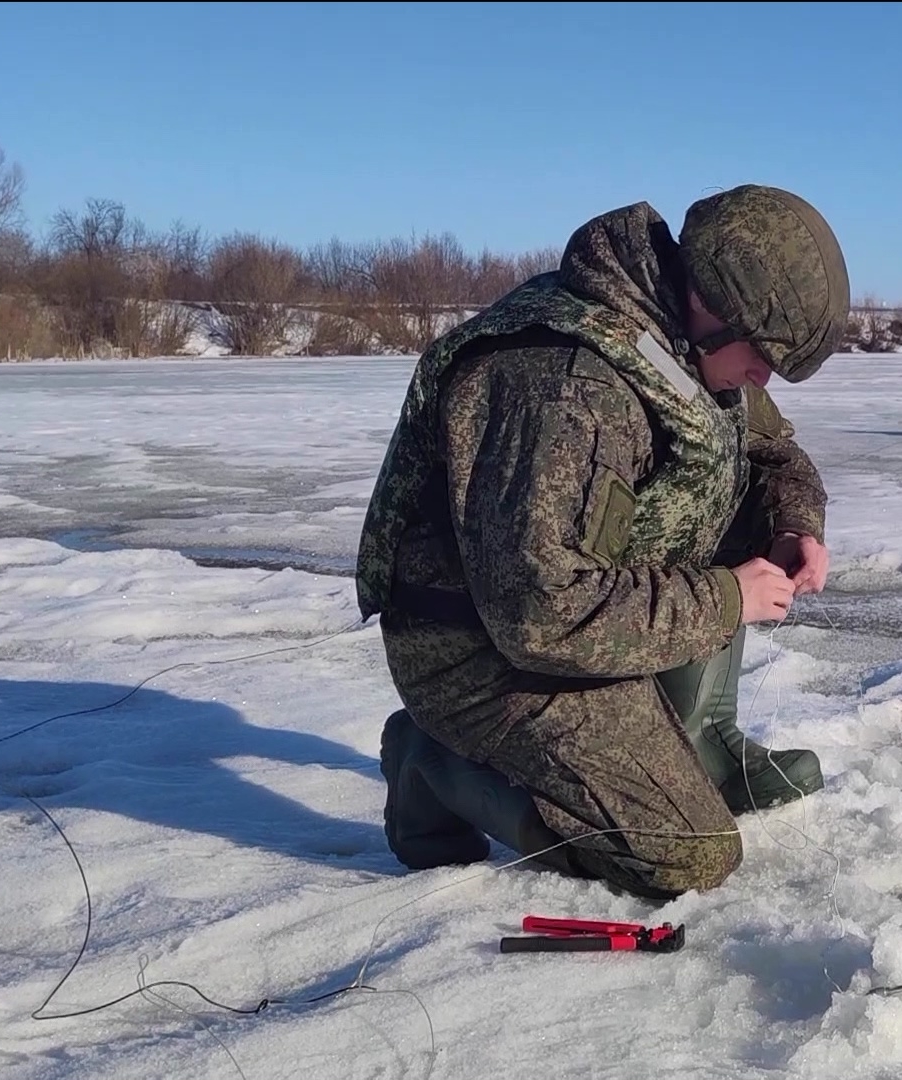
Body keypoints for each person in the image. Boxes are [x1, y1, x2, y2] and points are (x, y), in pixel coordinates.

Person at [352, 183, 850, 900]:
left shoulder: (681, 347)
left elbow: (772, 453)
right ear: (711, 299)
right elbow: (540, 612)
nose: (762, 375)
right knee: (688, 854)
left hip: (576, 631)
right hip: (480, 660)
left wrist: (795, 524)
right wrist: (724, 600)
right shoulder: (565, 386)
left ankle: (697, 742)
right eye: (761, 352)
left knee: (724, 485)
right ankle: (432, 761)